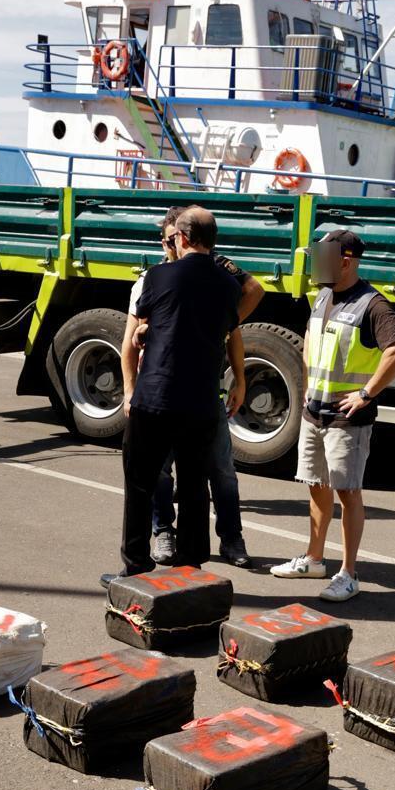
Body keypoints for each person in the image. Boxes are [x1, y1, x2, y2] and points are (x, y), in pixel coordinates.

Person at [271, 227, 395, 601]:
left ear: (346, 260)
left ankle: (348, 573)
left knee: (347, 492)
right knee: (316, 485)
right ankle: (314, 559)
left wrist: (365, 394)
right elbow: (309, 344)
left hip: (347, 419)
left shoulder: (373, 305)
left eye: (323, 258)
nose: (316, 267)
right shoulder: (323, 297)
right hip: (315, 411)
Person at [107, 205, 243, 580]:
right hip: (200, 401)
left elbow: (148, 325)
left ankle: (136, 564)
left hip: (157, 396)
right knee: (195, 483)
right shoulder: (229, 286)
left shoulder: (158, 276)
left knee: (140, 482)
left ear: (181, 238)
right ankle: (191, 565)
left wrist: (142, 340)